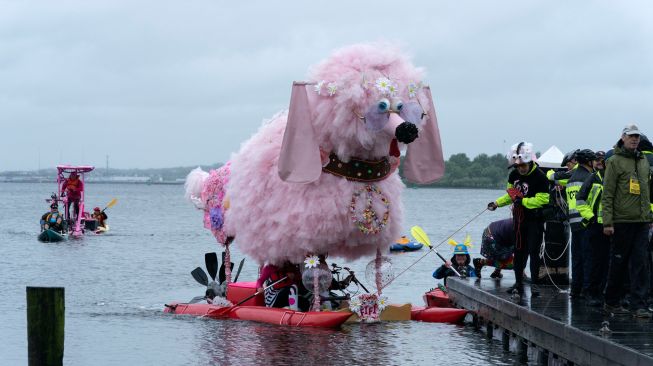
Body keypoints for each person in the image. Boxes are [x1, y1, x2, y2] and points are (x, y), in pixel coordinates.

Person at [602, 124, 653, 318]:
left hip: (641, 221)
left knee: (640, 263)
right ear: (623, 137)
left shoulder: (643, 161)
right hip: (621, 221)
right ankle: (611, 301)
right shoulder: (614, 161)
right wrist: (608, 222)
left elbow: (647, 191)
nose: (634, 140)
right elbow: (608, 193)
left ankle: (638, 305)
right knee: (618, 263)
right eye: (631, 136)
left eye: (637, 137)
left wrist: (649, 217)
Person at [488, 142, 550, 296]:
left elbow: (543, 199)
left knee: (534, 252)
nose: (521, 169)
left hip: (534, 220)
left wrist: (523, 201)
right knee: (519, 251)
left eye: (523, 165)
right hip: (518, 220)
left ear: (530, 162)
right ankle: (519, 283)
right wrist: (497, 203)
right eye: (518, 166)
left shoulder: (540, 177)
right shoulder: (513, 175)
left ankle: (535, 284)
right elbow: (511, 195)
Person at [576, 151, 609, 306]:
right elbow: (580, 199)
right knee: (593, 260)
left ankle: (602, 292)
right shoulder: (593, 178)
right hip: (594, 225)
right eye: (598, 160)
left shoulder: (615, 179)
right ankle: (590, 292)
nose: (600, 162)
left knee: (606, 261)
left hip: (611, 227)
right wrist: (591, 218)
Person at [565, 149, 597, 299]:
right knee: (588, 257)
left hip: (573, 223)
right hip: (586, 222)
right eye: (594, 160)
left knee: (576, 258)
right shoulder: (589, 177)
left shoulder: (571, 178)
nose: (596, 163)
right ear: (589, 161)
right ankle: (586, 290)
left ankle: (575, 289)